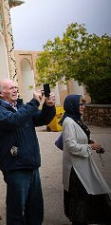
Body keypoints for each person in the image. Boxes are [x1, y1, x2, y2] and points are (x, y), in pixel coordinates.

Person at [0, 79, 55, 225]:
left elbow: (41, 119)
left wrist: (49, 106)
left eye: (16, 87)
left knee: (35, 208)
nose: (15, 90)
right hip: (15, 166)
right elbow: (14, 120)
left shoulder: (21, 107)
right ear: (0, 93)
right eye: (11, 88)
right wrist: (34, 102)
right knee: (17, 210)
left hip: (31, 164)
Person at [60, 94, 111, 224]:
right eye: (80, 104)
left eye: (83, 104)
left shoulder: (76, 119)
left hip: (82, 165)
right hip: (75, 168)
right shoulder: (69, 122)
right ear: (72, 105)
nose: (83, 107)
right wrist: (90, 146)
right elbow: (71, 146)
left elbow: (81, 138)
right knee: (81, 197)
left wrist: (92, 144)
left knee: (86, 194)